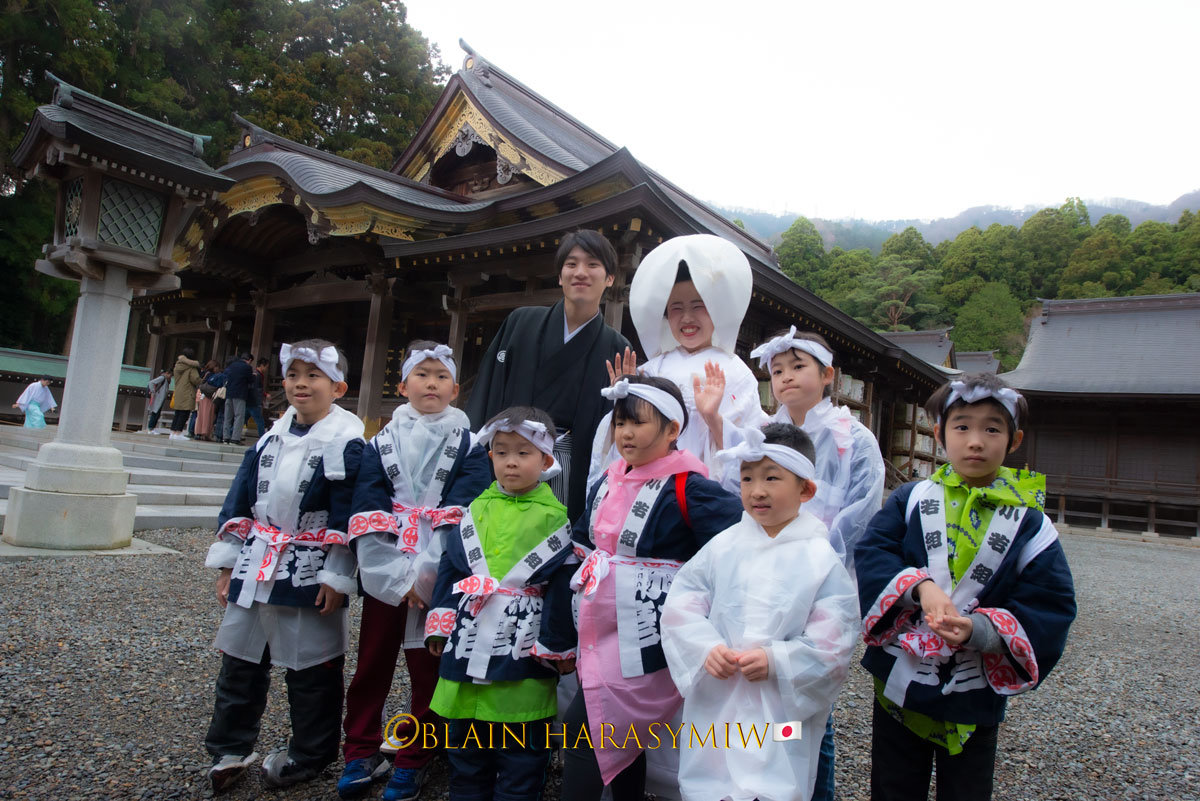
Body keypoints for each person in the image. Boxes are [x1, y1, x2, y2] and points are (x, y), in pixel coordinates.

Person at [855, 373, 1077, 801]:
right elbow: (873, 554)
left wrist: (982, 630)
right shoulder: (911, 499)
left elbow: (1050, 601)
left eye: (992, 428)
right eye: (962, 426)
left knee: (967, 788)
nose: (975, 440)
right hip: (902, 673)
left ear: (1014, 441)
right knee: (893, 782)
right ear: (940, 434)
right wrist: (919, 587)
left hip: (973, 682)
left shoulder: (1031, 524)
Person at [539, 375, 743, 800]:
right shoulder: (609, 479)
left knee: (588, 727)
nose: (625, 433)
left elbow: (737, 547)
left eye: (638, 423)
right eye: (619, 423)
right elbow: (581, 544)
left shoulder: (691, 488)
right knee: (619, 736)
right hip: (599, 626)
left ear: (673, 430)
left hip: (645, 637)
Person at [662, 423, 859, 801]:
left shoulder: (819, 558)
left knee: (779, 775)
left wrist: (778, 660)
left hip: (782, 704)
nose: (757, 490)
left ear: (806, 489)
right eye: (748, 478)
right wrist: (705, 648)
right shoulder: (723, 546)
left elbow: (834, 642)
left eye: (772, 477)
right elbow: (682, 604)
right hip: (720, 694)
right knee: (711, 777)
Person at [202, 340, 365, 794]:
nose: (301, 384)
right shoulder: (270, 436)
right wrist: (227, 563)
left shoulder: (347, 444)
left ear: (338, 386)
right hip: (259, 557)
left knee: (311, 665)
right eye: (293, 374)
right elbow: (239, 500)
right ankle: (231, 746)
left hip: (310, 566)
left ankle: (311, 752)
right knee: (240, 658)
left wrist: (339, 573)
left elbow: (350, 513)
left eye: (313, 376)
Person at [339, 341, 491, 801]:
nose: (431, 383)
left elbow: (461, 510)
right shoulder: (379, 442)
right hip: (386, 570)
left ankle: (414, 756)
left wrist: (424, 578)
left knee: (429, 669)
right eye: (422, 375)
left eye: (441, 376)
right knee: (371, 664)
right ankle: (359, 749)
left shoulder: (472, 445)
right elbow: (368, 503)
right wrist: (392, 576)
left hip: (438, 574)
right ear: (402, 386)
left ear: (455, 389)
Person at [749, 326, 887, 801]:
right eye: (777, 370)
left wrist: (811, 558)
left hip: (823, 582)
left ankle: (815, 791)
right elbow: (744, 499)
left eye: (798, 366)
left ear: (828, 374)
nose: (785, 378)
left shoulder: (855, 439)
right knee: (768, 692)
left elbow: (861, 514)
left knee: (811, 702)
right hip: (764, 577)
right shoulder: (762, 435)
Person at [424, 406, 577, 801]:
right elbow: (452, 565)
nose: (511, 462)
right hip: (470, 632)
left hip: (521, 640)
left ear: (546, 460)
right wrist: (441, 620)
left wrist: (557, 643)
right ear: (489, 454)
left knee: (522, 757)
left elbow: (561, 586)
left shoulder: (555, 516)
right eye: (502, 451)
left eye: (523, 453)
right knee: (466, 752)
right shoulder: (475, 509)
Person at [466, 229, 631, 520]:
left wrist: (626, 399)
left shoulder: (617, 347)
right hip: (510, 457)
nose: (580, 272)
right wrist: (476, 456)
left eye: (592, 264)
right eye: (571, 264)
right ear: (559, 276)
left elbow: (619, 426)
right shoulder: (520, 322)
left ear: (609, 278)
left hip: (568, 463)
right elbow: (488, 389)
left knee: (555, 546)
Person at [590, 234, 768, 487]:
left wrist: (713, 417)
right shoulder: (651, 369)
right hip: (645, 486)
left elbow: (749, 448)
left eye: (698, 306)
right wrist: (624, 401)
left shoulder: (735, 371)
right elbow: (622, 440)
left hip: (701, 490)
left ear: (716, 309)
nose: (686, 318)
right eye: (676, 308)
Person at [222, 352, 255, 445]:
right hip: (240, 394)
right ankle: (235, 439)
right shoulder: (247, 368)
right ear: (249, 360)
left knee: (227, 416)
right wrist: (253, 376)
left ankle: (226, 437)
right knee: (239, 416)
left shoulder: (232, 365)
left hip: (229, 393)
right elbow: (250, 380)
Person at [169, 347, 201, 440]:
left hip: (178, 391)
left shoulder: (177, 366)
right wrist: (202, 380)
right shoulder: (191, 368)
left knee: (178, 413)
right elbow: (195, 380)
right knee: (184, 414)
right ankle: (178, 433)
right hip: (187, 392)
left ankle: (173, 432)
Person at [194, 360, 221, 441]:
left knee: (201, 415)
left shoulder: (205, 373)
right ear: (214, 367)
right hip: (208, 396)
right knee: (208, 415)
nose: (218, 369)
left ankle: (198, 432)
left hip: (201, 395)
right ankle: (205, 433)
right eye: (217, 367)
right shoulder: (213, 375)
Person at [247, 358, 269, 438]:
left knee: (243, 419)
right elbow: (256, 389)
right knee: (260, 421)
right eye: (266, 367)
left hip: (250, 400)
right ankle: (262, 437)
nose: (266, 369)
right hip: (254, 401)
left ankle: (232, 432)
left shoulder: (256, 374)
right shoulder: (257, 375)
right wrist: (262, 398)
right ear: (262, 366)